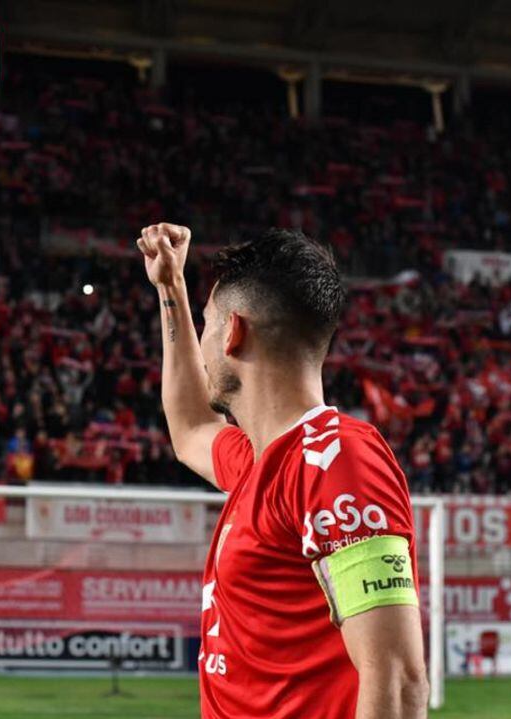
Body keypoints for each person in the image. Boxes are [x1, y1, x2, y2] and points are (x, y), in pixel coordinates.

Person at [137, 223, 428, 719]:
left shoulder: (336, 461)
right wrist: (172, 289)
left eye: (208, 325)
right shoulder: (261, 461)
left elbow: (397, 681)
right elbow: (189, 429)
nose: (204, 344)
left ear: (233, 332)